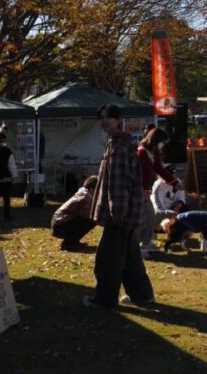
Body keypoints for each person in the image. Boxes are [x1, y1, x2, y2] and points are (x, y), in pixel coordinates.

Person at [84, 104, 154, 310]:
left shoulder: (119, 147)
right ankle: (142, 296)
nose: (104, 122)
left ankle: (104, 300)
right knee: (130, 258)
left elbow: (119, 183)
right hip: (126, 215)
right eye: (102, 118)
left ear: (118, 120)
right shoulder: (117, 143)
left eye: (108, 118)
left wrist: (117, 213)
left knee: (108, 260)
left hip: (120, 216)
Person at [137, 127, 178, 253]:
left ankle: (146, 242)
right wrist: (144, 190)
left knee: (149, 215)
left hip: (145, 190)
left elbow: (159, 169)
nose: (163, 145)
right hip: (139, 189)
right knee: (141, 218)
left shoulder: (153, 153)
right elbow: (140, 173)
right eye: (162, 142)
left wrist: (174, 182)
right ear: (156, 140)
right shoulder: (142, 152)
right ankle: (138, 246)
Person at [51, 175, 98, 250]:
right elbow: (88, 215)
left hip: (62, 223)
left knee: (88, 221)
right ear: (92, 190)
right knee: (88, 222)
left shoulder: (85, 196)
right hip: (60, 226)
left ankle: (74, 241)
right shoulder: (83, 199)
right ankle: (68, 243)